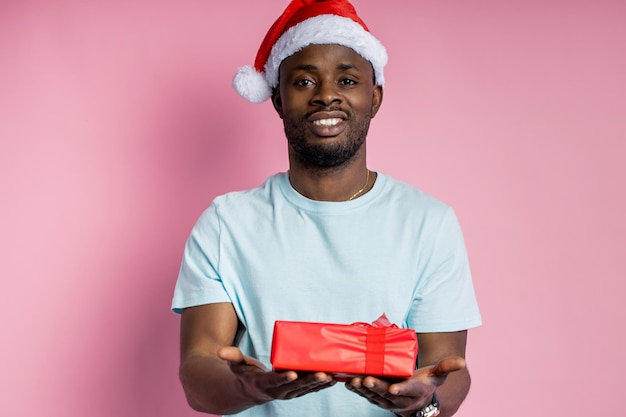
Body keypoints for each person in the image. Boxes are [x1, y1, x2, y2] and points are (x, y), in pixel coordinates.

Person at [171, 1, 482, 416]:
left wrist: (426, 404)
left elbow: (450, 372)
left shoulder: (428, 223)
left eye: (347, 79)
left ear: (374, 98)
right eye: (303, 81)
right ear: (278, 100)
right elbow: (198, 372)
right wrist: (253, 390)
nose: (327, 95)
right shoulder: (227, 223)